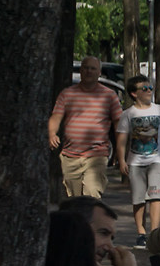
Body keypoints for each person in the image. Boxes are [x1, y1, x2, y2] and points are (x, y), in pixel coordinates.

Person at [47, 56, 122, 198]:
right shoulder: (67, 94)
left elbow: (119, 124)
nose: (89, 71)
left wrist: (120, 149)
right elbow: (56, 117)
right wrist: (52, 134)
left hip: (96, 155)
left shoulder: (109, 96)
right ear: (80, 70)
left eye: (93, 68)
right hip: (70, 156)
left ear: (99, 72)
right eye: (86, 68)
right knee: (75, 200)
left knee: (92, 194)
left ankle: (92, 212)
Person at [117, 76, 160, 239]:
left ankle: (154, 233)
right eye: (145, 89)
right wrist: (121, 160)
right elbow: (121, 139)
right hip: (135, 161)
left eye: (150, 88)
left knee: (156, 195)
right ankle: (141, 233)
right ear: (134, 93)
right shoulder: (128, 114)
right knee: (138, 198)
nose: (149, 91)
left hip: (157, 160)